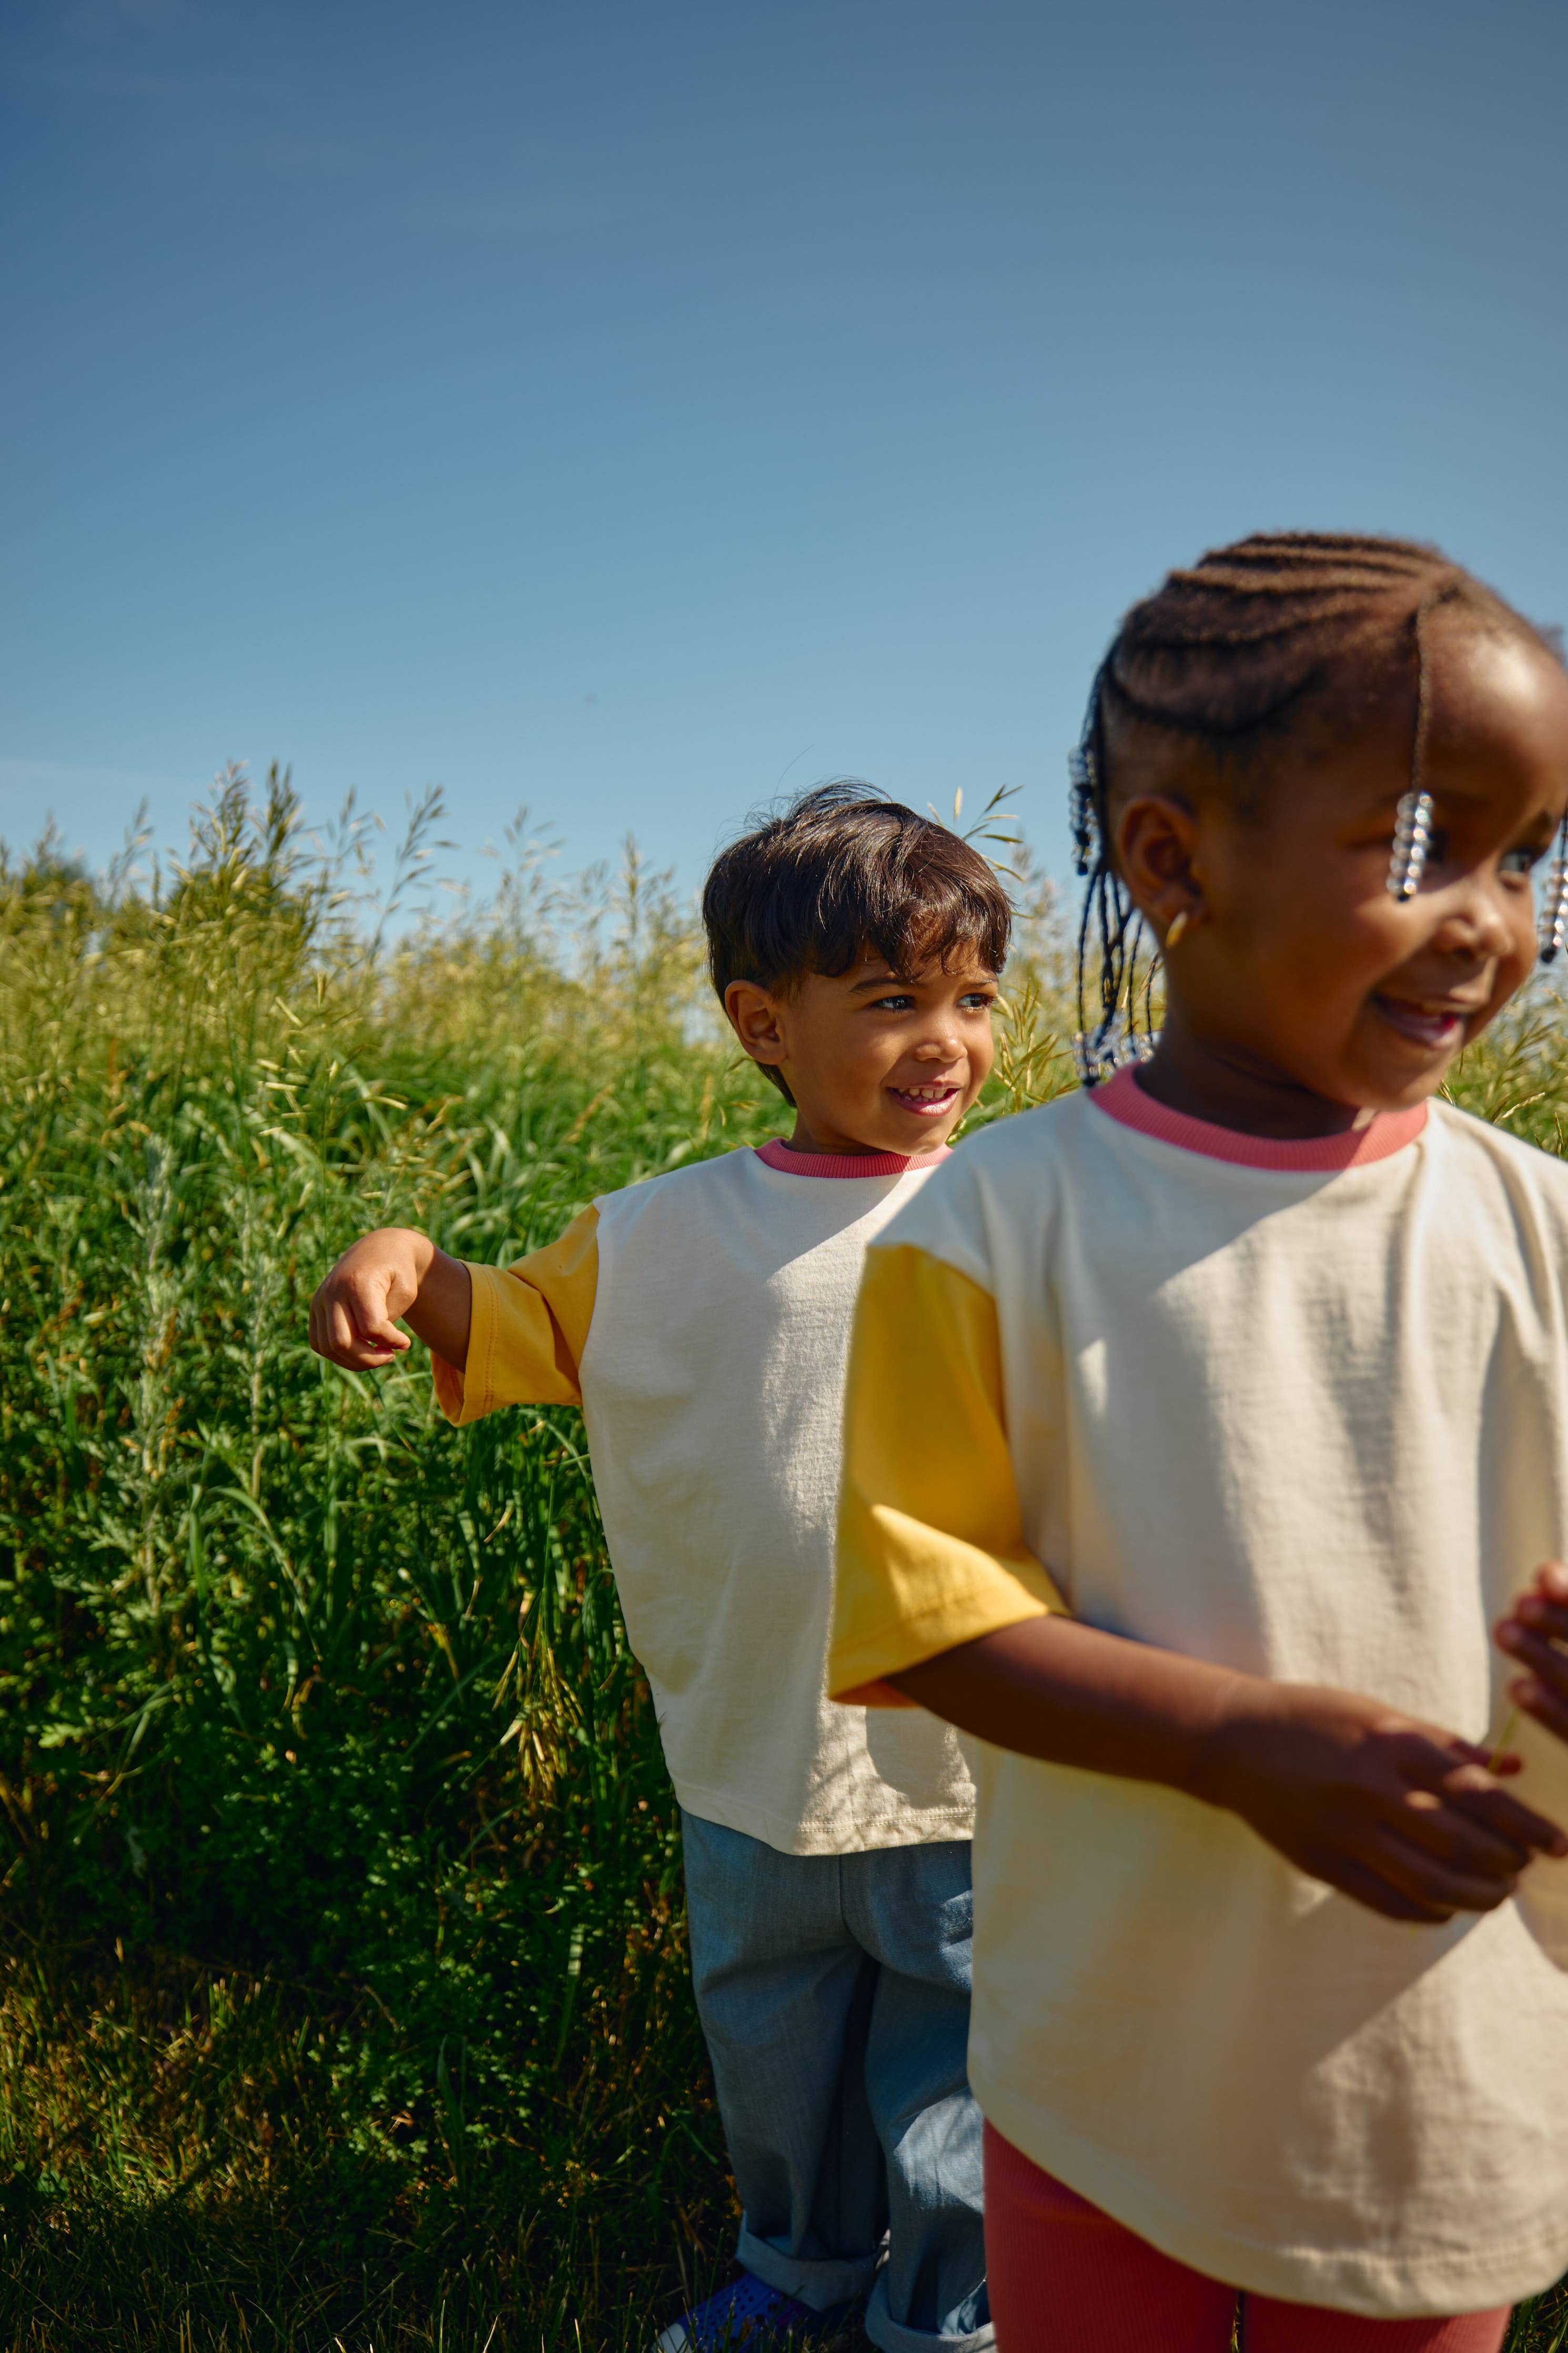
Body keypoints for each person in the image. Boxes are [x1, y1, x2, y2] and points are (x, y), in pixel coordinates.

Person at [828, 535, 1568, 2353]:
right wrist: (1235, 1739)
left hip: (1440, 2048)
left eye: (1533, 856)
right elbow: (926, 1614)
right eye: (1425, 844)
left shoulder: (1545, 1227)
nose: (1494, 921)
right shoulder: (995, 1227)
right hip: (1106, 2054)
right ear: (1171, 862)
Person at [308, 783, 1006, 2353]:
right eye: (890, 1001)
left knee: (958, 2076)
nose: (946, 1042)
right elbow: (517, 1328)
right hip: (747, 1744)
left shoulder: (1016, 1213)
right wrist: (405, 1262)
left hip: (966, 1759)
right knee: (771, 2044)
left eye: (973, 999)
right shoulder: (657, 1237)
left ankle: (944, 2318)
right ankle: (801, 2274)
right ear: (763, 1023)